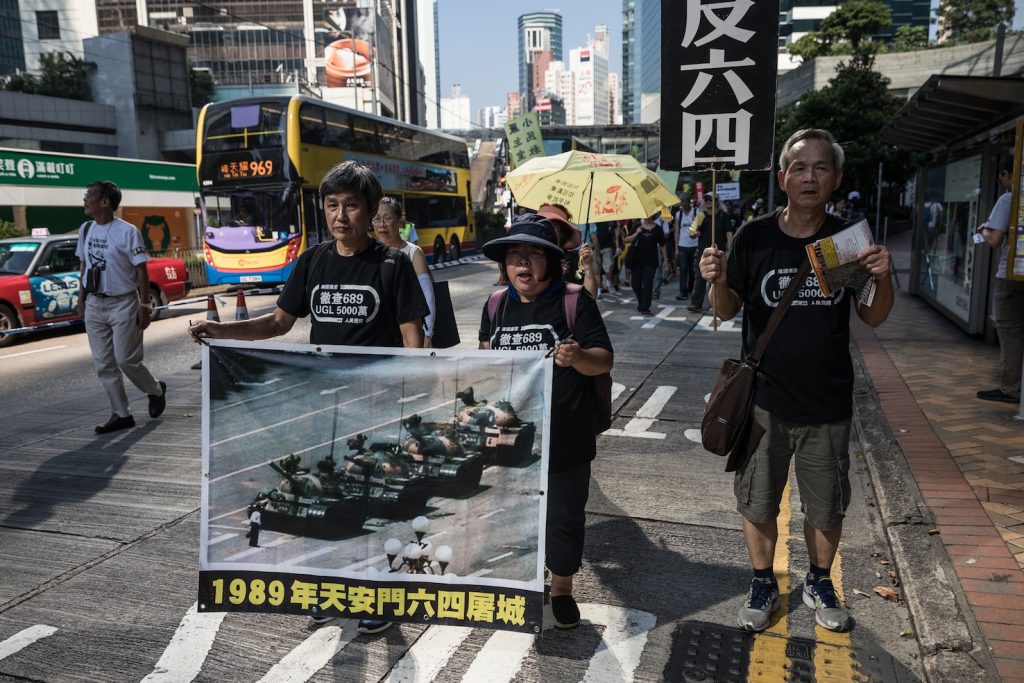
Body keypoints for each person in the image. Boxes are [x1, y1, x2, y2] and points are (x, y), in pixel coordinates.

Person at [189, 161, 428, 636]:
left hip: (375, 407)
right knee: (319, 499)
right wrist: (222, 330)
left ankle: (377, 596)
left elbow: (412, 340)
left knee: (372, 504)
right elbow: (277, 324)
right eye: (333, 205)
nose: (342, 216)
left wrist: (405, 395)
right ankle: (328, 588)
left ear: (369, 210)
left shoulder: (393, 264)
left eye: (352, 206)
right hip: (322, 405)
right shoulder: (314, 261)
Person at [699, 128, 894, 634]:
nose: (810, 177)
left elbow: (873, 318)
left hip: (828, 399)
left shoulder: (848, 242)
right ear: (783, 178)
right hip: (762, 399)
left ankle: (820, 580)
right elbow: (725, 311)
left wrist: (884, 276)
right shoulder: (753, 237)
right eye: (800, 168)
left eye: (821, 168)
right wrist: (717, 279)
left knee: (826, 503)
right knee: (758, 498)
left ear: (836, 178)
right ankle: (762, 580)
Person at [479, 213, 613, 629]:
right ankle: (526, 578)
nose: (523, 264)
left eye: (533, 255)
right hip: (514, 437)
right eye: (514, 255)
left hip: (566, 436)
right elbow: (485, 355)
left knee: (563, 517)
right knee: (517, 513)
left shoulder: (574, 300)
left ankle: (562, 589)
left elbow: (604, 359)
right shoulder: (495, 303)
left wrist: (578, 357)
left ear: (551, 261)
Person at [76, 180, 167, 435]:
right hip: (95, 303)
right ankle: (121, 413)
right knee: (103, 363)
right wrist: (81, 299)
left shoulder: (128, 231)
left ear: (105, 202)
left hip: (123, 303)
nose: (85, 199)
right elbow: (83, 268)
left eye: (89, 195)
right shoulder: (85, 230)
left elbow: (141, 270)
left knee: (126, 359)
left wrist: (144, 304)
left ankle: (156, 390)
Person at [976, 156, 1022, 404]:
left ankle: (1011, 388)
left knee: (1011, 332)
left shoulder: (1009, 198)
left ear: (1006, 174)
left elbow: (994, 240)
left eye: (1002, 177)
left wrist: (984, 228)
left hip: (1012, 275)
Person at [373, 197, 435, 348]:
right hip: (382, 334)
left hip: (411, 334)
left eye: (387, 218)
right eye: (376, 219)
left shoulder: (414, 253)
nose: (381, 224)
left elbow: (428, 296)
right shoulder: (371, 254)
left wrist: (428, 333)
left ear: (400, 221)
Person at [689, 192, 731, 313]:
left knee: (718, 280)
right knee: (699, 278)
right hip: (703, 253)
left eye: (710, 199)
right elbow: (691, 232)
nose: (707, 201)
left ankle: (718, 305)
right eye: (705, 199)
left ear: (716, 201)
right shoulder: (700, 215)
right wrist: (694, 233)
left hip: (719, 252)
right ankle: (695, 304)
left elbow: (729, 233)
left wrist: (729, 249)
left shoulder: (723, 216)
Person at [623, 212, 665, 317]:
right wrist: (637, 233)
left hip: (651, 262)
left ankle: (645, 307)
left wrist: (667, 260)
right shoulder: (637, 226)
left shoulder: (658, 229)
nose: (647, 216)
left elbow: (663, 245)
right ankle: (642, 301)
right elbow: (626, 240)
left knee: (647, 284)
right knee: (635, 284)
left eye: (650, 214)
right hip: (636, 261)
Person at [674, 195, 698, 301]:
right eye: (682, 202)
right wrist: (676, 248)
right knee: (683, 269)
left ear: (689, 202)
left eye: (685, 201)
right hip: (682, 245)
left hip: (694, 245)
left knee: (692, 270)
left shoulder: (696, 212)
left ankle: (691, 289)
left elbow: (700, 228)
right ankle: (682, 292)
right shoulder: (678, 215)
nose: (684, 204)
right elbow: (676, 232)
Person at [593, 220, 618, 295]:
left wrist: (617, 247)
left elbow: (616, 234)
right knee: (596, 269)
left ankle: (609, 282)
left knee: (608, 266)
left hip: (608, 246)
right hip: (594, 247)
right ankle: (599, 289)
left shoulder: (611, 218)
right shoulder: (593, 218)